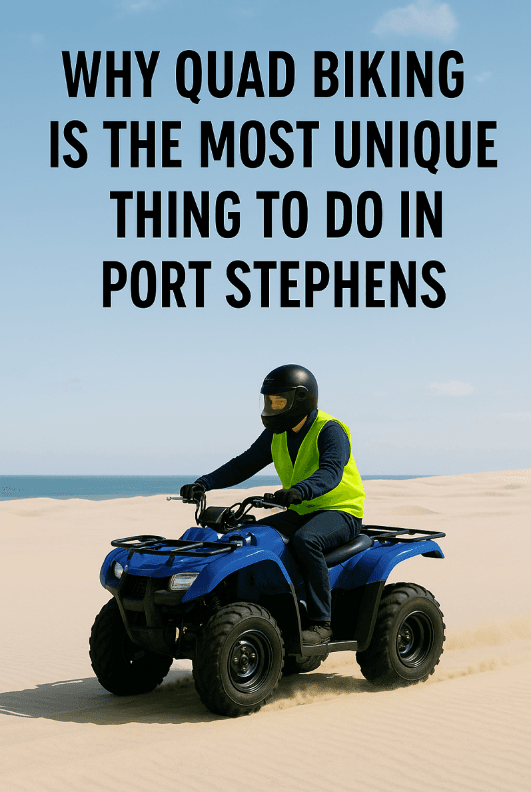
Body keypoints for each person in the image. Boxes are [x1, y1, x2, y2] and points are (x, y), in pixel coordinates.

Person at [180, 364, 365, 646]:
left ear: (301, 399)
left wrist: (299, 490)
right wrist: (204, 483)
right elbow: (244, 463)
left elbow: (330, 472)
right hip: (301, 510)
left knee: (307, 541)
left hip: (340, 511)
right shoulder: (277, 433)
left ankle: (321, 622)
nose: (272, 407)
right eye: (269, 401)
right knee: (247, 539)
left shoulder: (330, 430)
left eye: (279, 401)